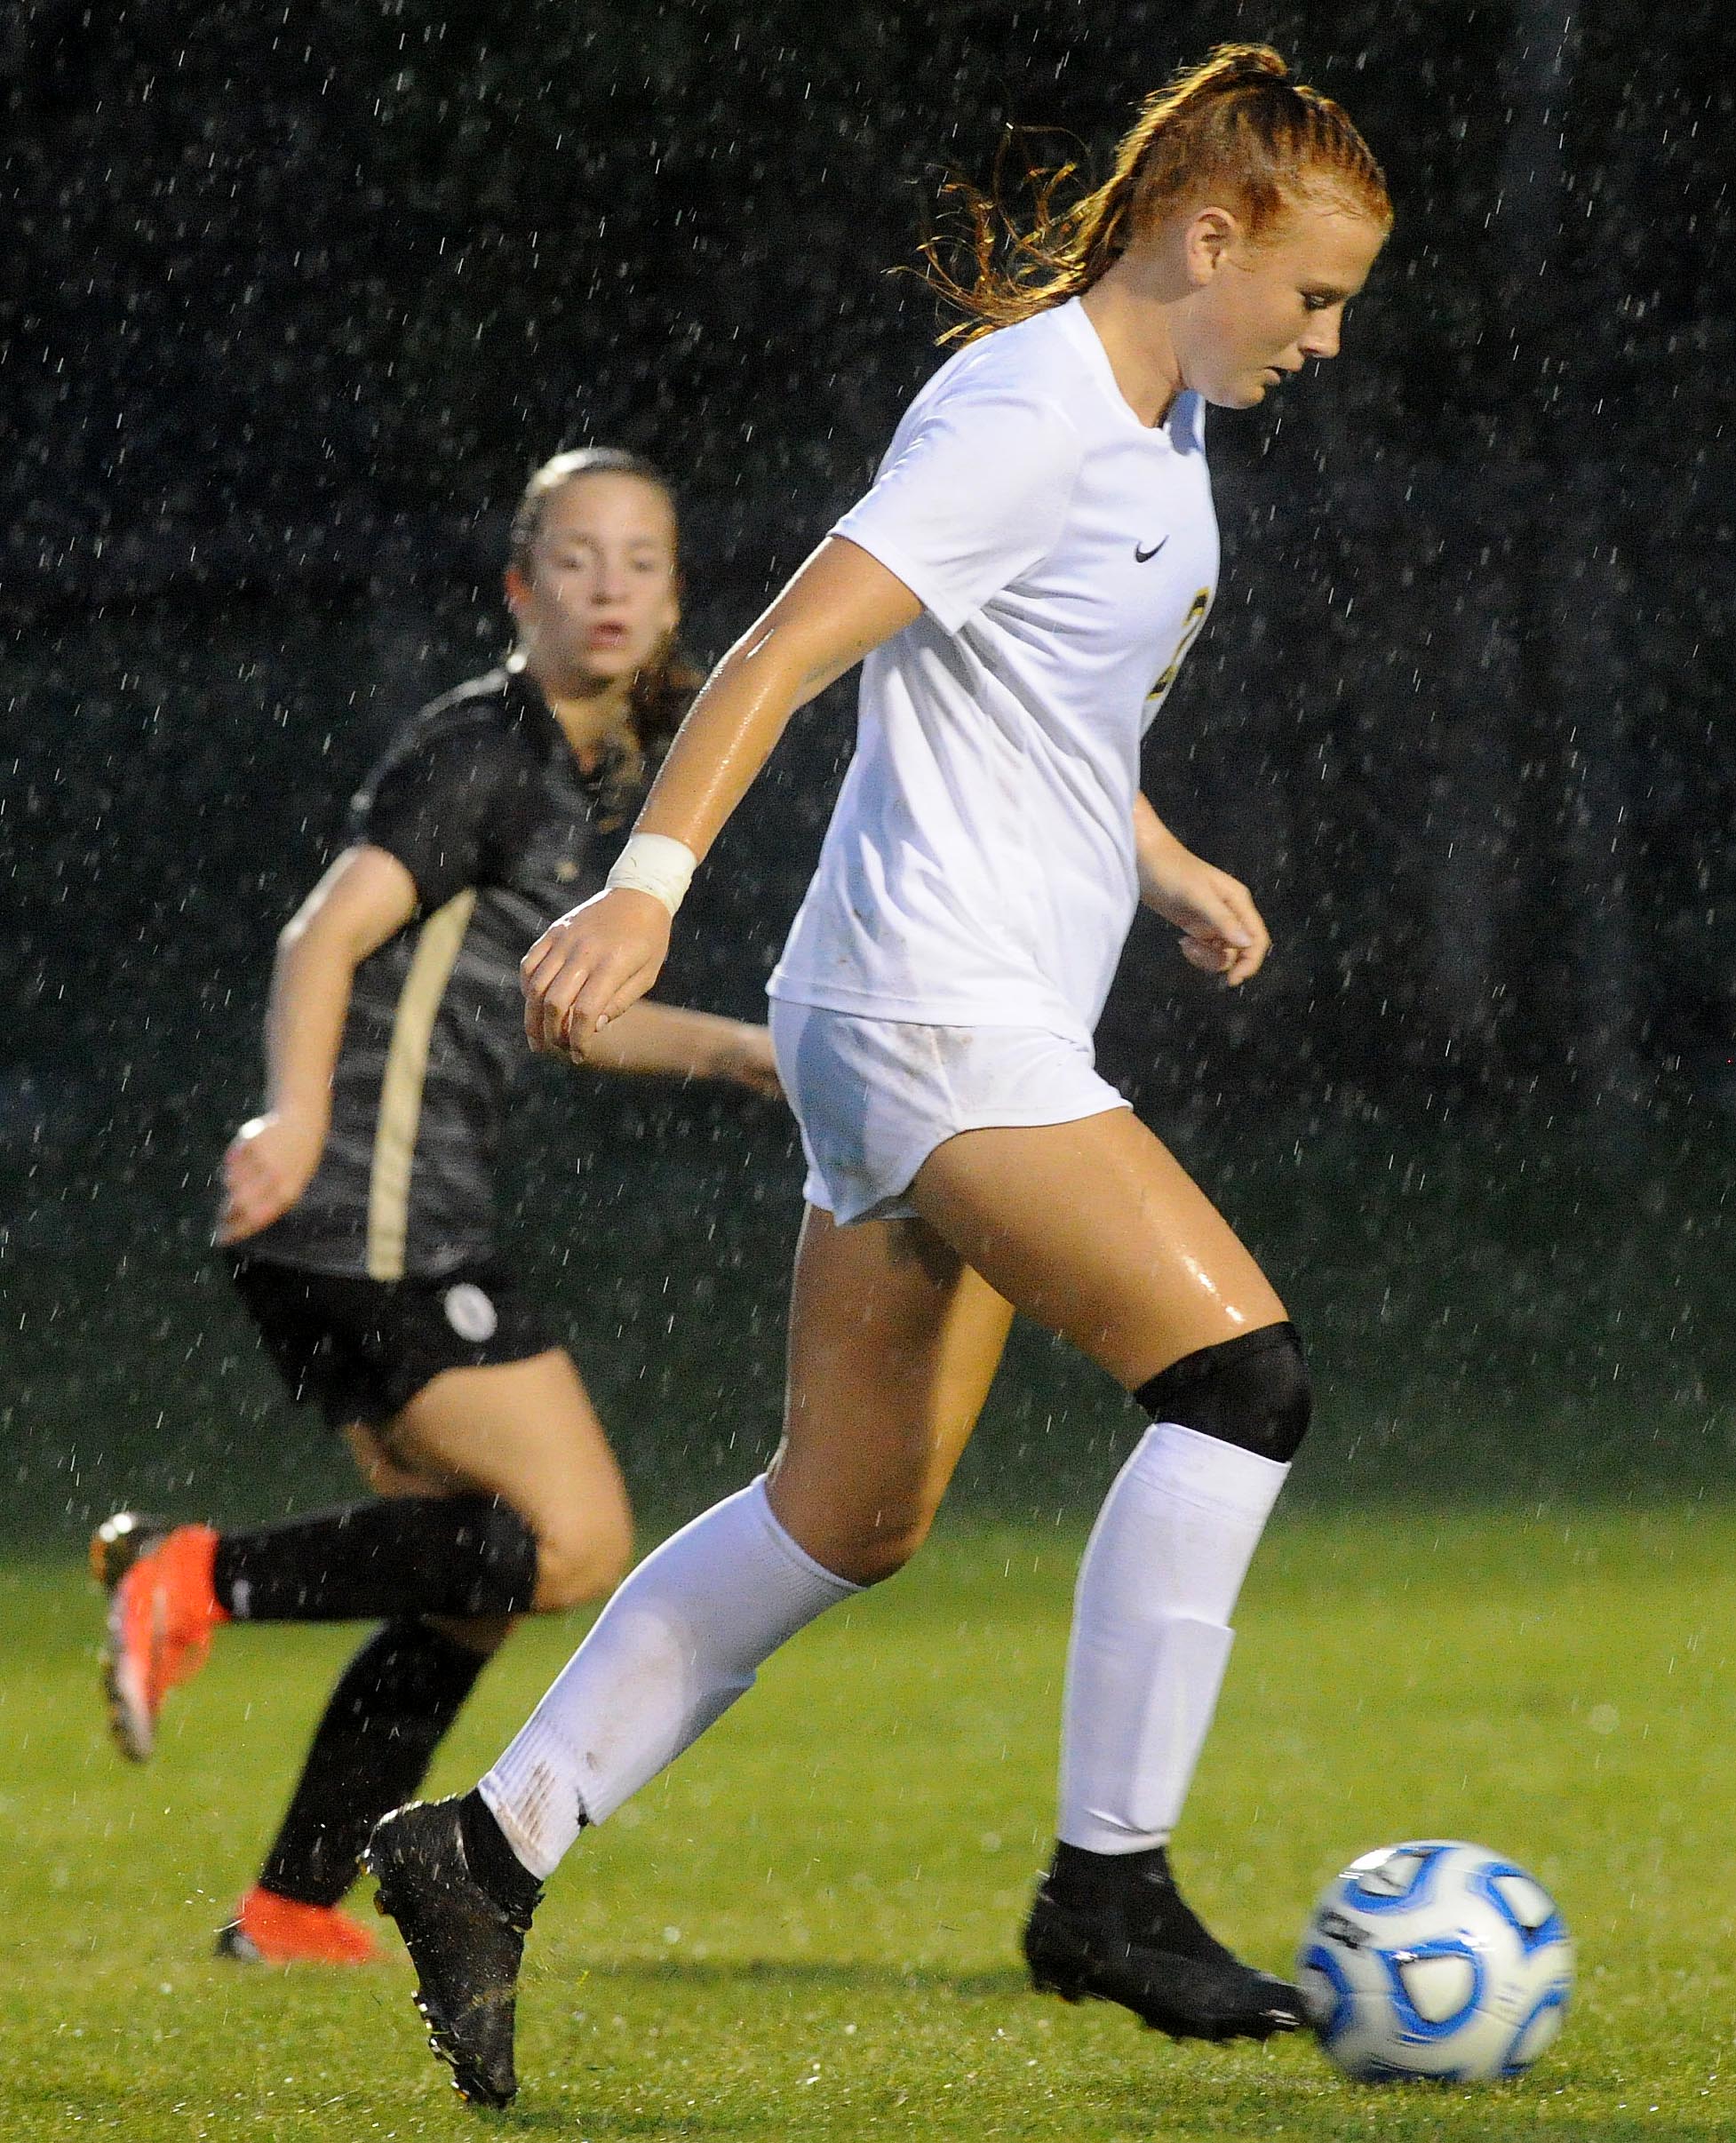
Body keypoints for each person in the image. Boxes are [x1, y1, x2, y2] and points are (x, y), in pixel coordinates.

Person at [365, 44, 1392, 2106]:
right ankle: (1104, 1886)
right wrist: (647, 889)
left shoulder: (1157, 417)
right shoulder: (1024, 413)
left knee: (842, 1513)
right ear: (1207, 237)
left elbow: (1035, 699)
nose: (1323, 336)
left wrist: (1160, 855)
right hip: (937, 1013)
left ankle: (482, 1846)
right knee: (1236, 1381)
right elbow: (773, 653)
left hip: (925, 1008)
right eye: (1310, 293)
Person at [93, 447, 778, 1967]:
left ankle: (288, 1907)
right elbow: (321, 934)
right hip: (367, 1212)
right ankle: (190, 1575)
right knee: (576, 1541)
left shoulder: (596, 771)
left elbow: (568, 1014)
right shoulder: (483, 751)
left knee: (470, 1571)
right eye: (576, 559)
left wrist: (738, 1050)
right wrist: (293, 1111)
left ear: (672, 601)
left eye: (641, 562)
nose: (608, 587)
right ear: (519, 586)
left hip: (378, 1216)